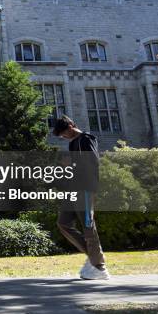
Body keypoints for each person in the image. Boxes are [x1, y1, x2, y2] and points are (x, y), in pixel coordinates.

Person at [53, 115, 110, 280]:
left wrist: (71, 165)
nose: (63, 137)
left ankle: (99, 267)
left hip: (86, 189)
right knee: (63, 223)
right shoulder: (72, 144)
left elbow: (92, 162)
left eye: (64, 134)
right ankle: (95, 258)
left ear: (71, 126)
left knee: (88, 226)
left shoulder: (87, 139)